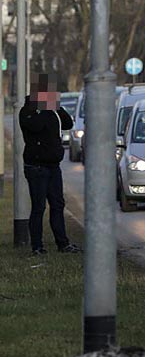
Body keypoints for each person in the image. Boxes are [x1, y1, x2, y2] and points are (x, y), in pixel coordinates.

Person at [19, 74, 82, 255]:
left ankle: (63, 243)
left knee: (58, 204)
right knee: (39, 207)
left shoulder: (52, 110)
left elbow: (68, 123)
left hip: (54, 166)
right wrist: (44, 108)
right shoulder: (28, 111)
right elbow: (36, 126)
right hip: (36, 166)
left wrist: (58, 108)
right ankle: (37, 247)